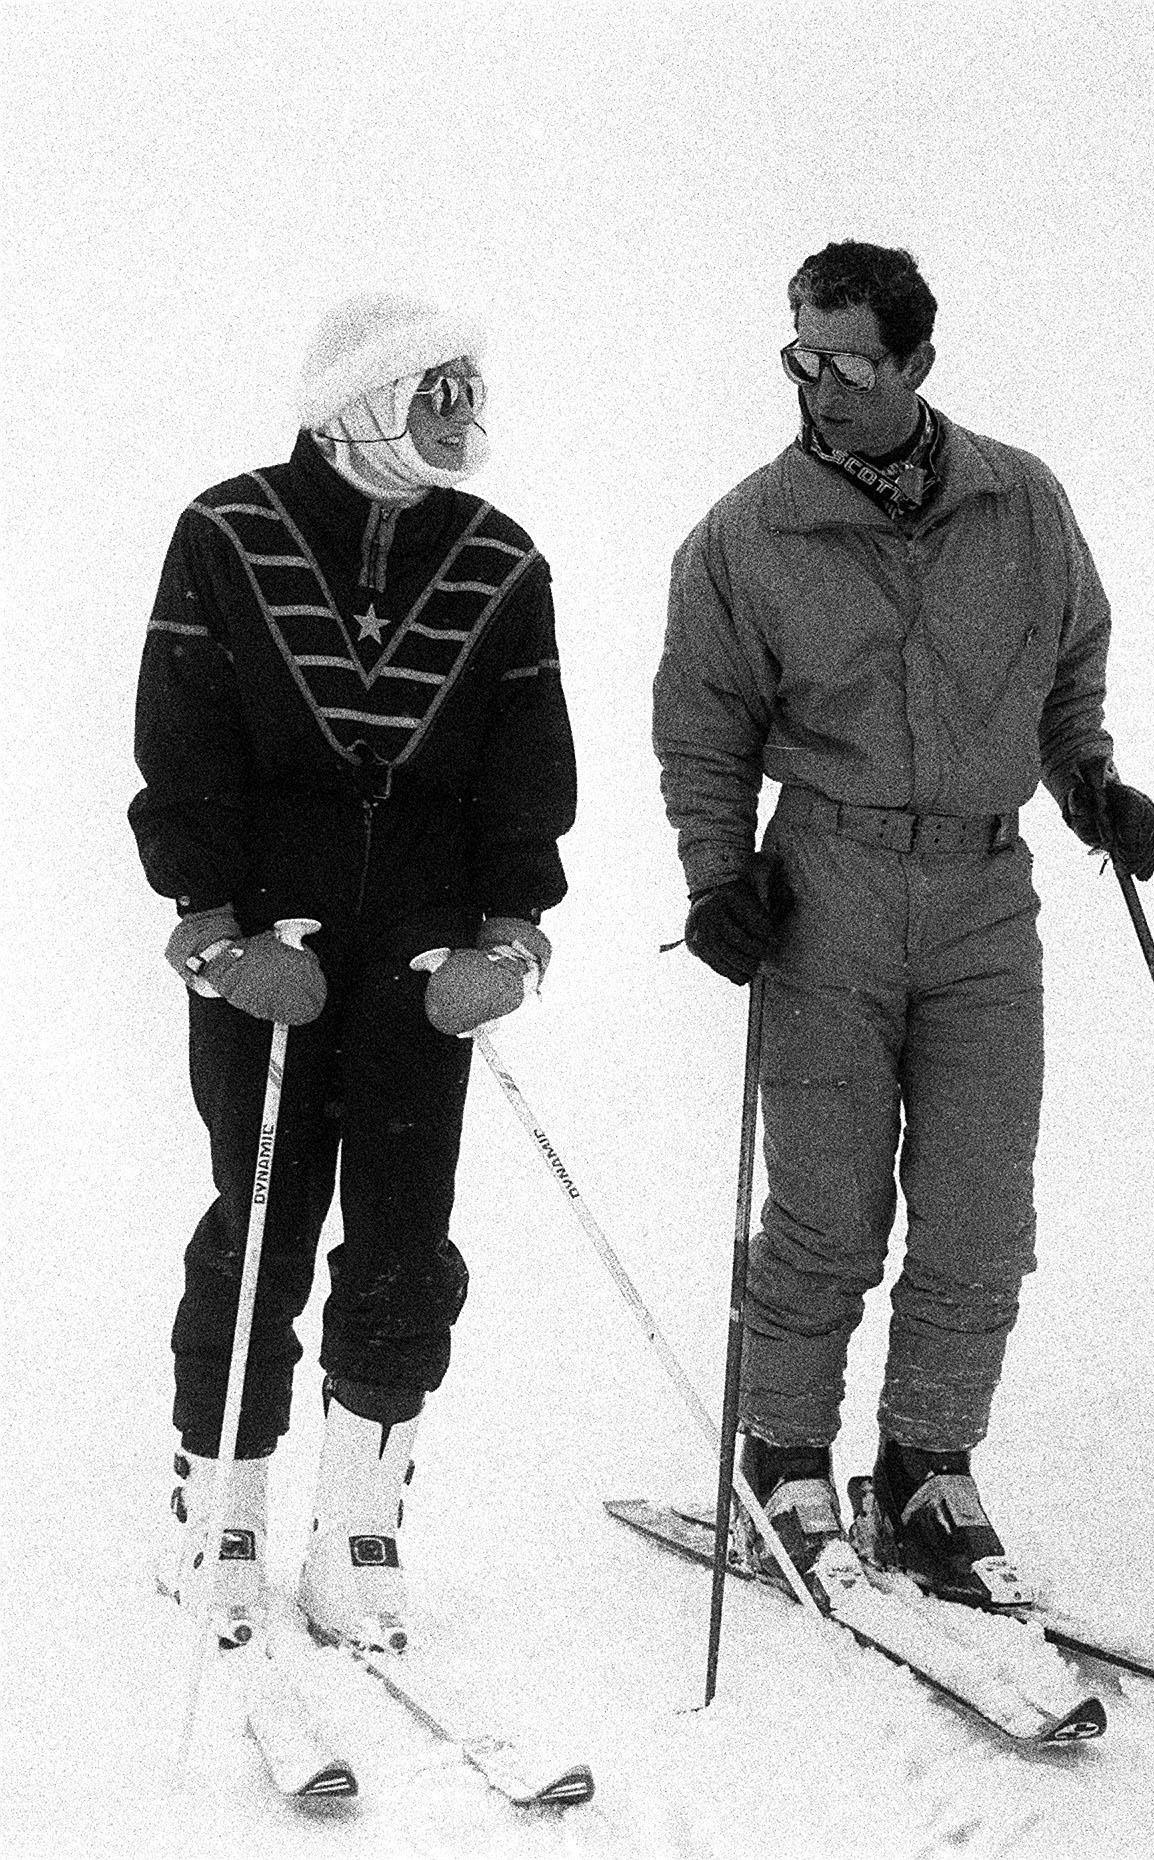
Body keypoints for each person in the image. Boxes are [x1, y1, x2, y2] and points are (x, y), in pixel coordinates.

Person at [655, 240, 1154, 1605]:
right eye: (799, 357)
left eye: (847, 362)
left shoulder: (1019, 503)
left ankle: (929, 1464)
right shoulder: (747, 535)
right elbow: (704, 723)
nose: (817, 387)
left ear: (917, 364)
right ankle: (784, 1460)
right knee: (823, 1210)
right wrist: (717, 878)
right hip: (826, 884)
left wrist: (1092, 781)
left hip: (984, 895)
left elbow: (1068, 662)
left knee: (982, 1210)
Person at [135, 293, 576, 1650]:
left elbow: (524, 769)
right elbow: (184, 740)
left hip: (420, 960)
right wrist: (218, 933)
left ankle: (358, 1522)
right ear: (361, 401)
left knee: (402, 1232)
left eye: (467, 391)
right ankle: (220, 1505)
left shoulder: (502, 564)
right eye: (432, 392)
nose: (459, 419)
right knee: (257, 1221)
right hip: (278, 945)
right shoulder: (229, 532)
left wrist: (506, 940)